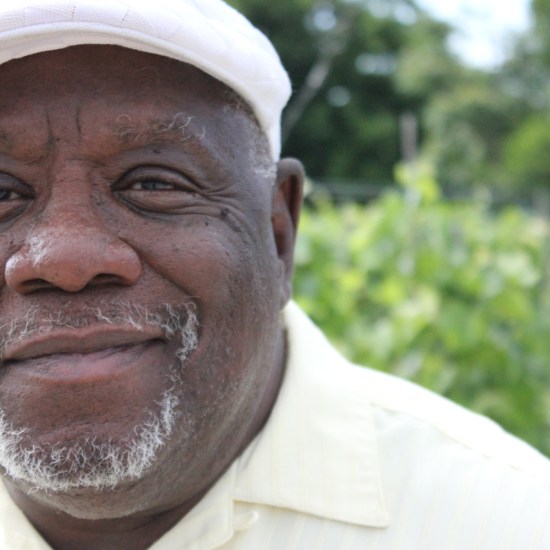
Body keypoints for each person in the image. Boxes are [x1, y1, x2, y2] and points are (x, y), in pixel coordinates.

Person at [0, 1, 548, 549]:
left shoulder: (510, 525)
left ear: (278, 230)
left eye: (152, 183)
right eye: (3, 194)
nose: (63, 261)